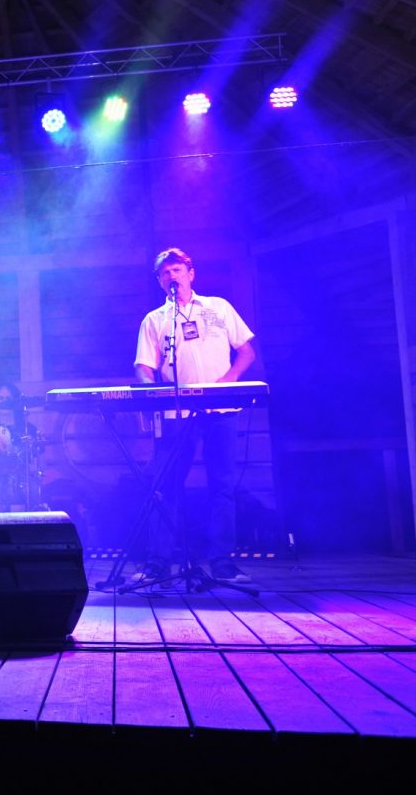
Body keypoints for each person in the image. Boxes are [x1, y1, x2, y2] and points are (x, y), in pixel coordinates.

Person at [132, 247, 255, 584]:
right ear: (160, 281)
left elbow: (246, 351)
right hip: (177, 413)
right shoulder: (155, 320)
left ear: (190, 273)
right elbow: (144, 366)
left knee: (222, 486)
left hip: (220, 409)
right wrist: (153, 393)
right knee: (167, 486)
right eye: (165, 272)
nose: (172, 276)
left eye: (177, 269)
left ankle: (222, 563)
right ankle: (159, 562)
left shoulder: (219, 307)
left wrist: (228, 381)